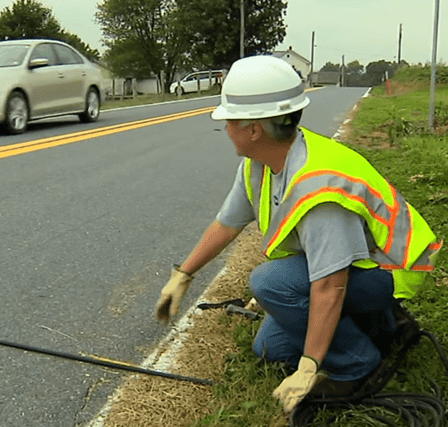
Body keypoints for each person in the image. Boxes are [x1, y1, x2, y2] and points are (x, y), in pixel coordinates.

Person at [154, 55, 442, 414]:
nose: (225, 127)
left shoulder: (320, 190)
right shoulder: (261, 163)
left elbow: (330, 286)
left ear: (254, 129)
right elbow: (227, 224)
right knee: (270, 349)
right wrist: (184, 274)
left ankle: (358, 365)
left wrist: (309, 367)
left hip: (388, 272)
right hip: (359, 267)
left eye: (229, 119)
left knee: (271, 283)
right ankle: (385, 323)